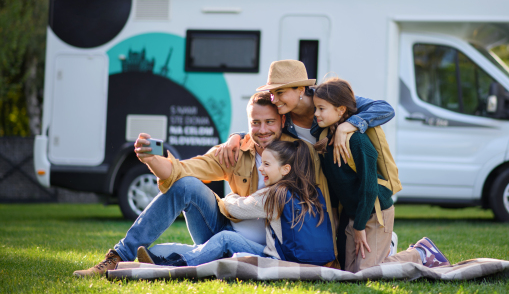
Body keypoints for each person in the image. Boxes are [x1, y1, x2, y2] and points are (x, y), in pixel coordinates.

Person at [73, 92, 337, 277]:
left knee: (170, 252)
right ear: (248, 125)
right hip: (220, 230)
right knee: (187, 185)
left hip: (266, 248)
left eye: (269, 122)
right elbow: (181, 170)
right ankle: (117, 257)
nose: (263, 129)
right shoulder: (233, 152)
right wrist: (152, 159)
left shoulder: (296, 153)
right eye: (255, 123)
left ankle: (175, 260)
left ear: (281, 121)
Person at [312, 77, 451, 272]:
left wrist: (359, 227)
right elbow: (335, 183)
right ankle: (382, 250)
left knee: (367, 272)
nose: (316, 114)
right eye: (315, 108)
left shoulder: (358, 141)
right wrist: (336, 215)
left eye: (321, 108)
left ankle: (420, 252)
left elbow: (369, 187)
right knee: (349, 272)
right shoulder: (324, 138)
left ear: (341, 110)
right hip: (354, 212)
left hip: (374, 211)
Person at [136, 140, 332, 267]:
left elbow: (235, 209)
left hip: (278, 259)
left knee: (225, 238)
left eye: (267, 164)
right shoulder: (311, 192)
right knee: (157, 251)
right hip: (311, 259)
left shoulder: (274, 195)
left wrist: (230, 197)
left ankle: (179, 264)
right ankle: (161, 257)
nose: (261, 169)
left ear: (285, 169)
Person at [216, 60, 395, 167]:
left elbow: (385, 109)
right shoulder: (283, 116)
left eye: (280, 93)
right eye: (272, 93)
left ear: (301, 90)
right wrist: (236, 137)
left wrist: (348, 126)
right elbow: (263, 129)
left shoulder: (329, 98)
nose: (274, 99)